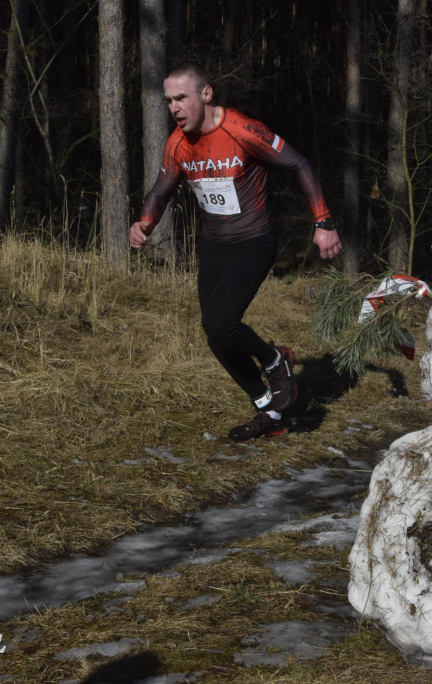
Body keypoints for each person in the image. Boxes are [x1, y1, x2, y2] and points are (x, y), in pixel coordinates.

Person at [130, 62, 342, 442]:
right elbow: (162, 189)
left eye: (182, 98)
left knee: (221, 323)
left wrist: (323, 222)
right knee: (215, 335)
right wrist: (145, 221)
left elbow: (300, 164)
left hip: (253, 240)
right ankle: (270, 410)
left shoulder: (243, 130)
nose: (174, 108)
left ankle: (276, 359)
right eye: (168, 101)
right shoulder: (177, 143)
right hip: (214, 245)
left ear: (206, 95)